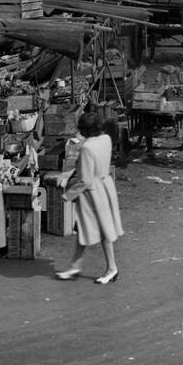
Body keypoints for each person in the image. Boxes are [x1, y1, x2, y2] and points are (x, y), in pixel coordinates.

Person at [55, 111, 123, 284]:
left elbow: (84, 179)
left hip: (92, 193)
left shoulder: (87, 148)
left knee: (102, 231)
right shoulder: (106, 139)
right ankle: (74, 267)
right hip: (106, 186)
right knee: (84, 229)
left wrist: (66, 196)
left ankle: (112, 268)